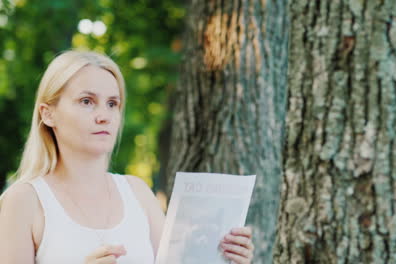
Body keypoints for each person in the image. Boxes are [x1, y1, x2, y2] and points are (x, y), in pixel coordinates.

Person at [0, 50, 254, 264]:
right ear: (48, 114)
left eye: (112, 103)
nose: (104, 115)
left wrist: (226, 258)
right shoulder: (24, 200)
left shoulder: (137, 192)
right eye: (87, 101)